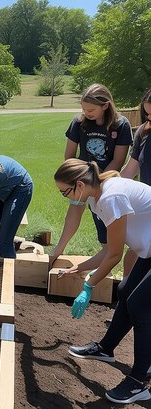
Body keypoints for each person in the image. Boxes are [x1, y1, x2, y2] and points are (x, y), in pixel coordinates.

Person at [55, 158, 151, 405]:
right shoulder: (96, 198)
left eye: (65, 192)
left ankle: (138, 382)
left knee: (140, 305)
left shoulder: (111, 197)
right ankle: (106, 348)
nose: (66, 198)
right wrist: (81, 267)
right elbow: (108, 250)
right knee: (126, 290)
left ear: (79, 184)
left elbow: (115, 257)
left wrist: (89, 286)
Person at [50, 84, 132, 267]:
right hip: (81, 178)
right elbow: (69, 156)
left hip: (105, 181)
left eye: (91, 109)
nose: (86, 113)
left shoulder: (121, 125)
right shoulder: (78, 123)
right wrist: (77, 178)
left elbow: (118, 161)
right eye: (83, 109)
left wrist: (97, 182)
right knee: (75, 207)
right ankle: (58, 251)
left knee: (104, 219)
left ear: (105, 106)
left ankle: (107, 255)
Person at [119, 88, 151, 276]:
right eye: (147, 114)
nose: (149, 118)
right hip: (146, 207)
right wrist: (107, 189)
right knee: (132, 257)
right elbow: (130, 170)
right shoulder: (143, 133)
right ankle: (125, 298)